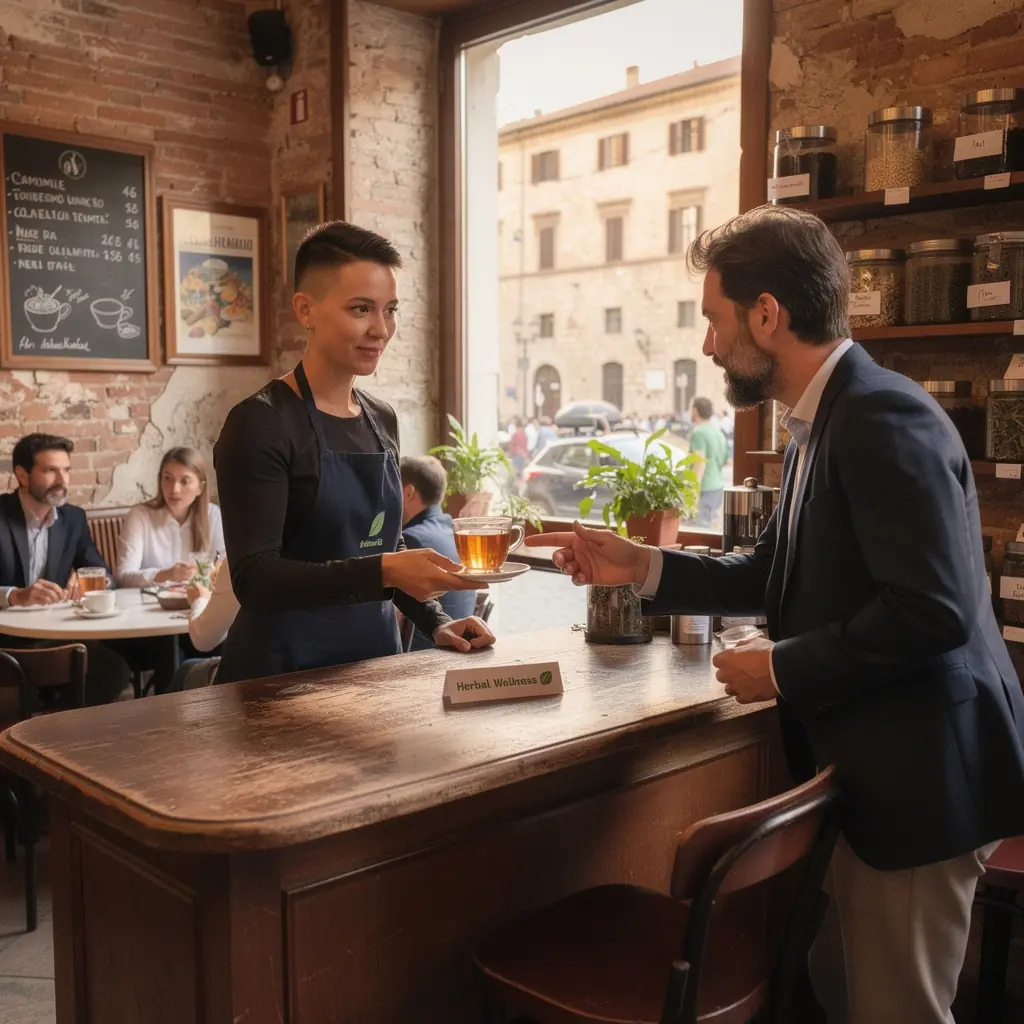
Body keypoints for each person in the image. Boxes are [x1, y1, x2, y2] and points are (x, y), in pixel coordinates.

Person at [529, 204, 1024, 1024]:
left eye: (716, 320)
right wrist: (643, 565)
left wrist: (781, 668)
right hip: (883, 770)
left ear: (769, 313)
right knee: (838, 980)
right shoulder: (821, 417)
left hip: (925, 779)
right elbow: (775, 571)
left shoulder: (879, 415)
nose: (709, 344)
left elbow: (929, 611)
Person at [213, 220, 494, 683]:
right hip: (280, 678)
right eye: (361, 308)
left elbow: (384, 543)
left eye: (391, 310)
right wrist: (383, 569)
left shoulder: (380, 419)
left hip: (373, 668)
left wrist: (437, 621)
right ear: (306, 309)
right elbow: (256, 579)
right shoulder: (260, 422)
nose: (380, 329)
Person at [0, 433, 130, 705]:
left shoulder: (73, 517)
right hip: (5, 642)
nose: (63, 480)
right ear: (23, 475)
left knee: (114, 671)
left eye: (67, 470)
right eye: (50, 471)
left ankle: (55, 729)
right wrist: (14, 596)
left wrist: (89, 579)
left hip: (56, 638)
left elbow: (103, 572)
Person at [116, 447, 225, 588]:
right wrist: (167, 574)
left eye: (185, 481)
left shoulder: (213, 515)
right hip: (151, 606)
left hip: (199, 602)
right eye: (168, 478)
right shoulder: (140, 516)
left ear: (200, 488)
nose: (174, 489)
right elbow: (123, 577)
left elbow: (225, 569)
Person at [400, 455, 476, 650]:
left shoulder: (411, 540)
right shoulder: (454, 532)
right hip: (457, 651)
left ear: (408, 493)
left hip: (423, 658)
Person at [171, 558, 239, 690]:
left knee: (185, 670)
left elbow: (203, 639)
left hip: (251, 676)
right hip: (289, 671)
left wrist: (199, 599)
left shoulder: (240, 557)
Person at [687, 396, 728, 528]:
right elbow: (726, 460)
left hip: (704, 489)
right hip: (717, 487)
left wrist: (693, 491)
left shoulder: (699, 433)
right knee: (710, 528)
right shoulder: (717, 432)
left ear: (695, 410)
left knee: (699, 531)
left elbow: (699, 463)